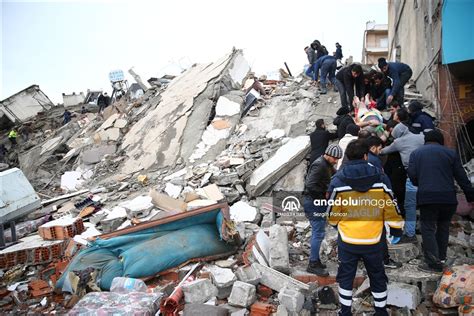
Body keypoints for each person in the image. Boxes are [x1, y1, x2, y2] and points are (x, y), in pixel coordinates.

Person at [328, 140, 404, 316]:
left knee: (346, 276)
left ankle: (345, 311)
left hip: (348, 239)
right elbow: (391, 206)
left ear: (347, 157)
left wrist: (336, 224)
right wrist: (395, 228)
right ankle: (380, 311)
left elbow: (332, 211)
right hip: (374, 238)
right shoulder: (381, 178)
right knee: (377, 275)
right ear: (365, 156)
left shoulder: (338, 180)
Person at [408, 130, 474, 272]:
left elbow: (412, 176)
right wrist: (470, 197)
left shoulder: (416, 154)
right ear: (440, 140)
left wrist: (423, 181)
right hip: (448, 198)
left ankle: (433, 263)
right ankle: (442, 258)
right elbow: (462, 177)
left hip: (428, 198)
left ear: (426, 140)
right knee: (443, 227)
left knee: (428, 228)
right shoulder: (451, 153)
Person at [304, 144, 343, 276]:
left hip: (317, 202)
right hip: (313, 203)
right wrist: (324, 195)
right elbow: (310, 185)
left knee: (319, 231)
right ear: (328, 155)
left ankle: (315, 260)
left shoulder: (327, 165)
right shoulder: (320, 165)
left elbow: (336, 175)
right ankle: (313, 264)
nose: (336, 161)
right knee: (318, 232)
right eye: (335, 158)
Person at [380, 123, 424, 243]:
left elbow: (383, 151)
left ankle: (410, 234)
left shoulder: (398, 142)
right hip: (427, 175)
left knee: (410, 205)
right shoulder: (421, 137)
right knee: (426, 204)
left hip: (412, 176)